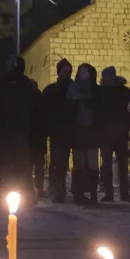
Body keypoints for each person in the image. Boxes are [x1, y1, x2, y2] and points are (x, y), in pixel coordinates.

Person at [0, 55, 39, 201]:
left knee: (21, 163)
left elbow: (31, 107)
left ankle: (25, 193)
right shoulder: (5, 83)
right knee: (10, 162)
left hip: (19, 130)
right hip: (9, 129)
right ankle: (9, 192)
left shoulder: (23, 84)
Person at [98, 67, 130, 202]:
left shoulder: (124, 92)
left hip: (120, 133)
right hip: (106, 133)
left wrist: (127, 127)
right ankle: (109, 193)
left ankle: (124, 193)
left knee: (123, 164)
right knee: (107, 164)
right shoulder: (101, 92)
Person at [68, 63, 101, 204]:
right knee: (80, 164)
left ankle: (93, 192)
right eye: (80, 72)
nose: (83, 75)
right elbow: (68, 108)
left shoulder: (96, 90)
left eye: (85, 72)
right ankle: (78, 193)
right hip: (78, 131)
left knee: (92, 164)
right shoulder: (73, 88)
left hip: (92, 132)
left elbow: (100, 109)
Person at [42, 59, 74, 203]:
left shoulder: (74, 88)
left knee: (66, 161)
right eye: (65, 71)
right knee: (58, 161)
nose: (67, 74)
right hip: (58, 131)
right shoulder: (51, 90)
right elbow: (46, 110)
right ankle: (58, 190)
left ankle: (70, 189)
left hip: (72, 130)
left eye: (69, 71)